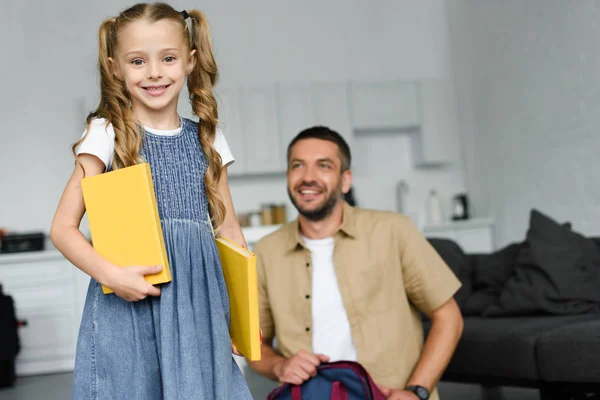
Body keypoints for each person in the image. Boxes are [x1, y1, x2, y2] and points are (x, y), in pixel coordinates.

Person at [49, 3, 252, 399]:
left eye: (168, 58)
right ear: (114, 68)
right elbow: (62, 229)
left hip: (198, 311)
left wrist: (241, 319)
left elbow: (229, 231)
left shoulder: (208, 140)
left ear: (190, 61)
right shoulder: (106, 135)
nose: (155, 72)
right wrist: (112, 275)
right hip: (129, 309)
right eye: (138, 61)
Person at [248, 126, 464, 400]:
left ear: (345, 180)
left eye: (323, 166)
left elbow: (448, 317)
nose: (308, 177)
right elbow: (256, 344)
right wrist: (279, 365)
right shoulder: (267, 251)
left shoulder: (393, 231)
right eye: (297, 166)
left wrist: (417, 391)